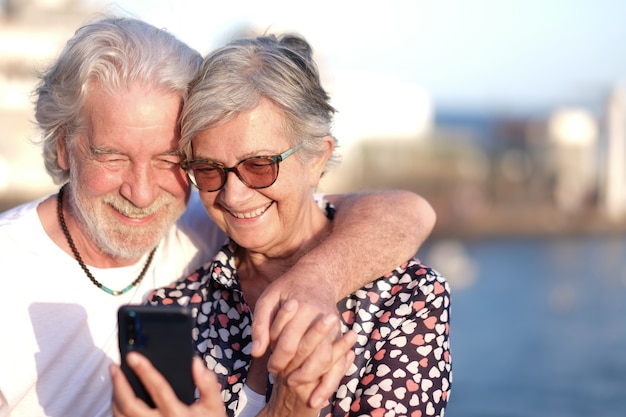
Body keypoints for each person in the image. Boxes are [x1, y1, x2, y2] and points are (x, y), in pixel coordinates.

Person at [0, 17, 437, 417]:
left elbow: (407, 211)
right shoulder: (182, 283)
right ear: (62, 147)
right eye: (112, 157)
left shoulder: (207, 225)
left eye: (169, 160)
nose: (142, 192)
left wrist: (318, 277)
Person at [110, 33, 451, 417]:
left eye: (259, 165)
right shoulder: (174, 307)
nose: (234, 196)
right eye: (208, 170)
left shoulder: (405, 298)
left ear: (317, 160)